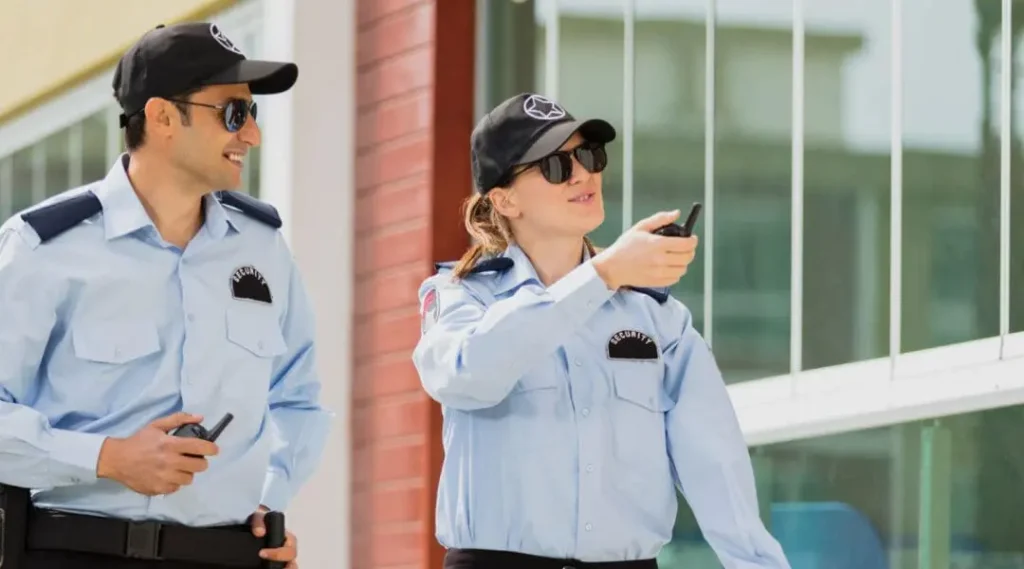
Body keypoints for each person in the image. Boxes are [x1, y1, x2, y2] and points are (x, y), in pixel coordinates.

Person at [412, 93, 793, 569]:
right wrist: (603, 275)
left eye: (589, 156)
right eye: (554, 165)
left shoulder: (657, 318)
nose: (583, 174)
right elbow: (467, 376)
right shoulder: (461, 298)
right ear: (504, 199)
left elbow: (714, 463)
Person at [0, 22, 331, 569]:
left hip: (226, 555)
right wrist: (107, 458)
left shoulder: (265, 249)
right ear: (160, 117)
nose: (252, 135)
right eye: (232, 113)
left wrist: (267, 500)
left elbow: (298, 400)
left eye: (253, 114)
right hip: (75, 552)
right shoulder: (42, 247)